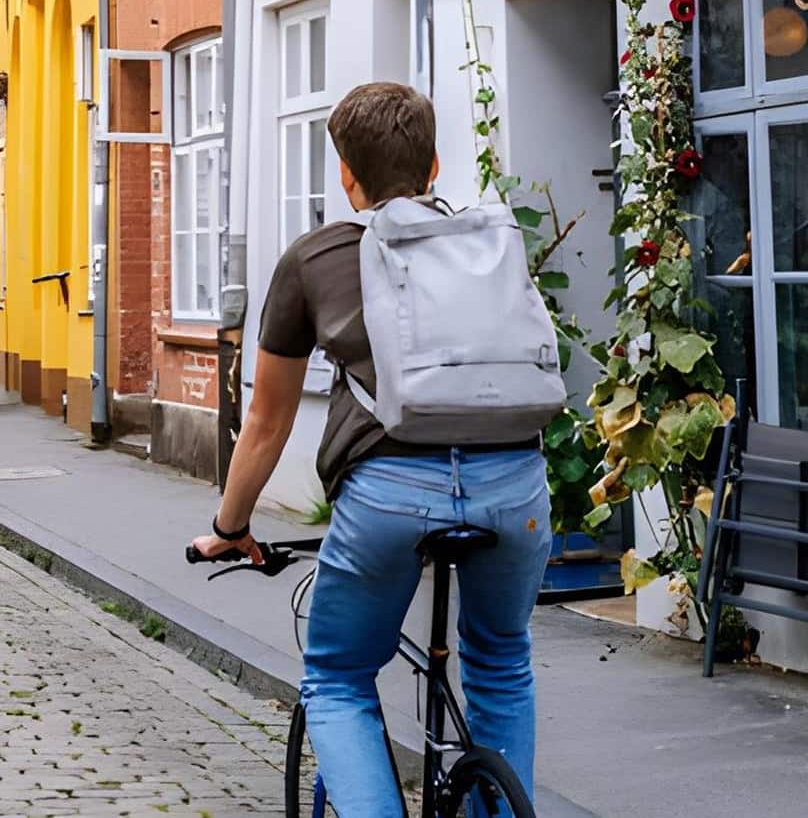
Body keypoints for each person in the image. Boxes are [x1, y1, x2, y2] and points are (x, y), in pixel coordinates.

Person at [191, 82, 549, 816]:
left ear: (348, 177)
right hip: (516, 483)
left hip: (390, 493)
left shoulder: (313, 260)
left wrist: (231, 528)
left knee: (340, 676)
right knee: (502, 663)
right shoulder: (487, 243)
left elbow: (265, 420)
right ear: (436, 164)